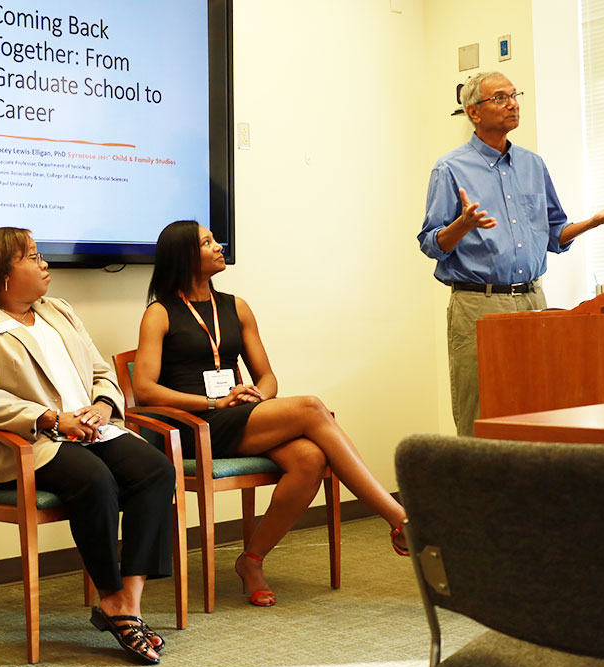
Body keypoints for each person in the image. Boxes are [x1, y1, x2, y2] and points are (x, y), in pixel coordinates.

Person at [133, 220, 409, 608]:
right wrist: (215, 403)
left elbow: (267, 376)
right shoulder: (160, 313)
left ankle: (252, 561)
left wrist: (255, 395)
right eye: (208, 242)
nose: (218, 246)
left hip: (239, 415)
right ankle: (398, 519)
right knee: (312, 407)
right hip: (197, 424)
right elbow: (144, 389)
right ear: (184, 257)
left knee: (310, 458)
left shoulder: (235, 307)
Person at [0, 227, 176, 665]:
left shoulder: (58, 311)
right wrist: (50, 418)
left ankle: (129, 603)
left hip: (88, 429)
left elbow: (101, 372)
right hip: (27, 443)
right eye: (32, 256)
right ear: (1, 273)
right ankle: (110, 595)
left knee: (156, 469)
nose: (44, 263)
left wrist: (104, 406)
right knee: (94, 479)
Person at [418, 71, 604, 436]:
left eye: (514, 95)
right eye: (500, 98)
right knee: (480, 413)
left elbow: (554, 234)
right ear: (474, 112)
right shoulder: (450, 168)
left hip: (534, 299)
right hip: (479, 304)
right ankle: (476, 492)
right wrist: (464, 225)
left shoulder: (533, 165)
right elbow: (430, 243)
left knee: (537, 407)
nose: (513, 103)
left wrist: (593, 222)